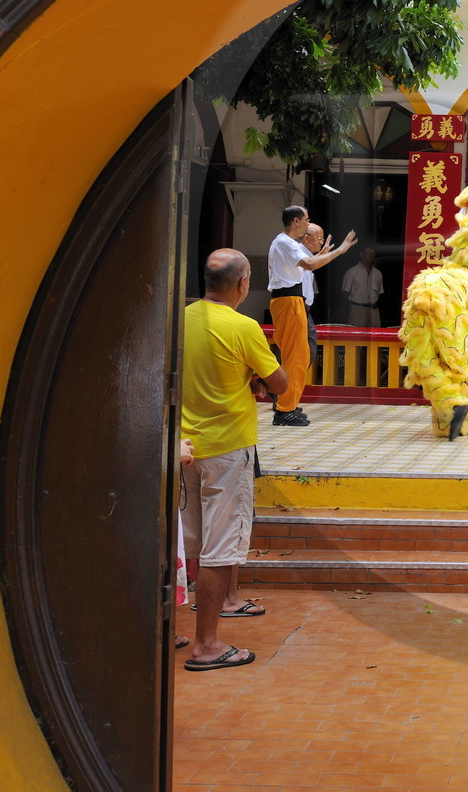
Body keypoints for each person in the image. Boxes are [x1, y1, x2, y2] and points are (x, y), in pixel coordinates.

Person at [180, 248, 288, 671]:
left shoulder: (182, 319)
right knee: (220, 550)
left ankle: (169, 630)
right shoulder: (243, 327)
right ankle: (206, 645)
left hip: (184, 449)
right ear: (243, 284)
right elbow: (279, 382)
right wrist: (255, 375)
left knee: (183, 544)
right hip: (227, 451)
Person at [267, 206, 355, 426]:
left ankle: (286, 403)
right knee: (295, 357)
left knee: (300, 355)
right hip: (289, 300)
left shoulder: (285, 243)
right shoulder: (286, 242)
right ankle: (284, 408)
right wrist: (339, 251)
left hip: (290, 300)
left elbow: (306, 266)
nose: (308, 223)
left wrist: (324, 255)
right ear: (296, 221)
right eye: (306, 219)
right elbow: (308, 264)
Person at [341, 247, 384, 327]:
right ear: (362, 254)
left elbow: (380, 292)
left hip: (373, 310)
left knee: (375, 333)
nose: (371, 255)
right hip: (357, 309)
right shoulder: (352, 272)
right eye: (369, 253)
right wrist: (351, 307)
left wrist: (375, 303)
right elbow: (344, 292)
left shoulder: (378, 273)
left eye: (373, 253)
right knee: (356, 333)